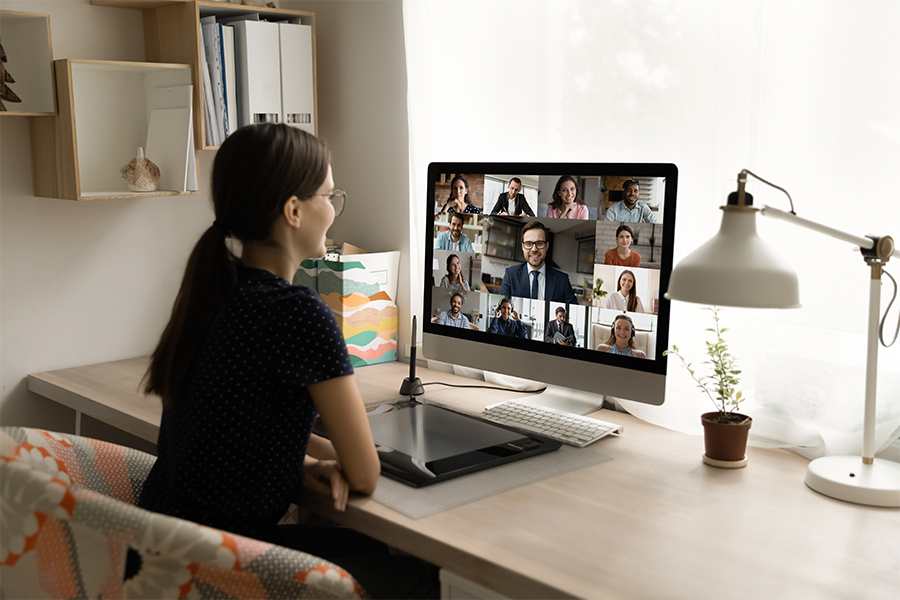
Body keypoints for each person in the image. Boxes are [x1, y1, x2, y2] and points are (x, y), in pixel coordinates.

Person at [137, 124, 437, 598]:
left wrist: (294, 464)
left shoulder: (215, 290)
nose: (333, 211)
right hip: (221, 569)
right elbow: (364, 474)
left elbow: (230, 429)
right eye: (329, 195)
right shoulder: (298, 313)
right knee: (417, 575)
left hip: (161, 555)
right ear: (294, 211)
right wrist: (332, 457)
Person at [499, 220, 577, 304]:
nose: (534, 249)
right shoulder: (510, 275)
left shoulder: (562, 280)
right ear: (522, 247)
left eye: (539, 243)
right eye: (528, 244)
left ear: (547, 246)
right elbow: (503, 308)